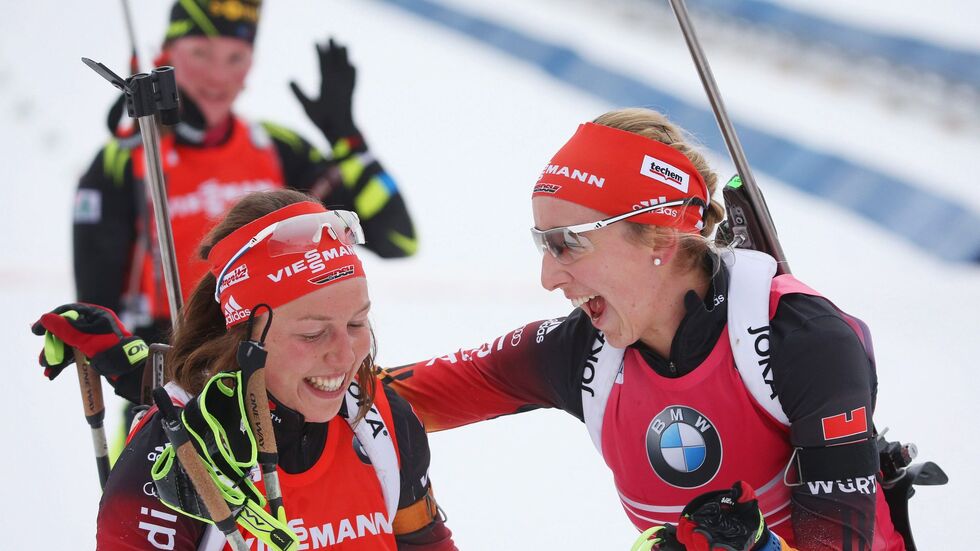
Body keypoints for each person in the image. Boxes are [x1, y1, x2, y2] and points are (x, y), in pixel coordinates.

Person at [381, 108, 905, 550]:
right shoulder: (583, 352)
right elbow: (383, 402)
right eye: (542, 243)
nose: (547, 277)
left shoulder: (800, 339)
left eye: (567, 243)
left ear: (659, 236)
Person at [34, 189, 454, 549]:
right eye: (312, 334)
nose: (346, 355)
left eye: (357, 323)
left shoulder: (379, 420)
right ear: (243, 338)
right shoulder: (169, 463)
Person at [74, 0, 417, 347]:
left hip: (275, 374)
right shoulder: (126, 160)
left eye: (235, 58)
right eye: (200, 53)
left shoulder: (278, 148)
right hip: (168, 379)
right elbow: (96, 317)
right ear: (167, 56)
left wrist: (348, 139)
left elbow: (398, 239)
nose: (218, 75)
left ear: (251, 64)